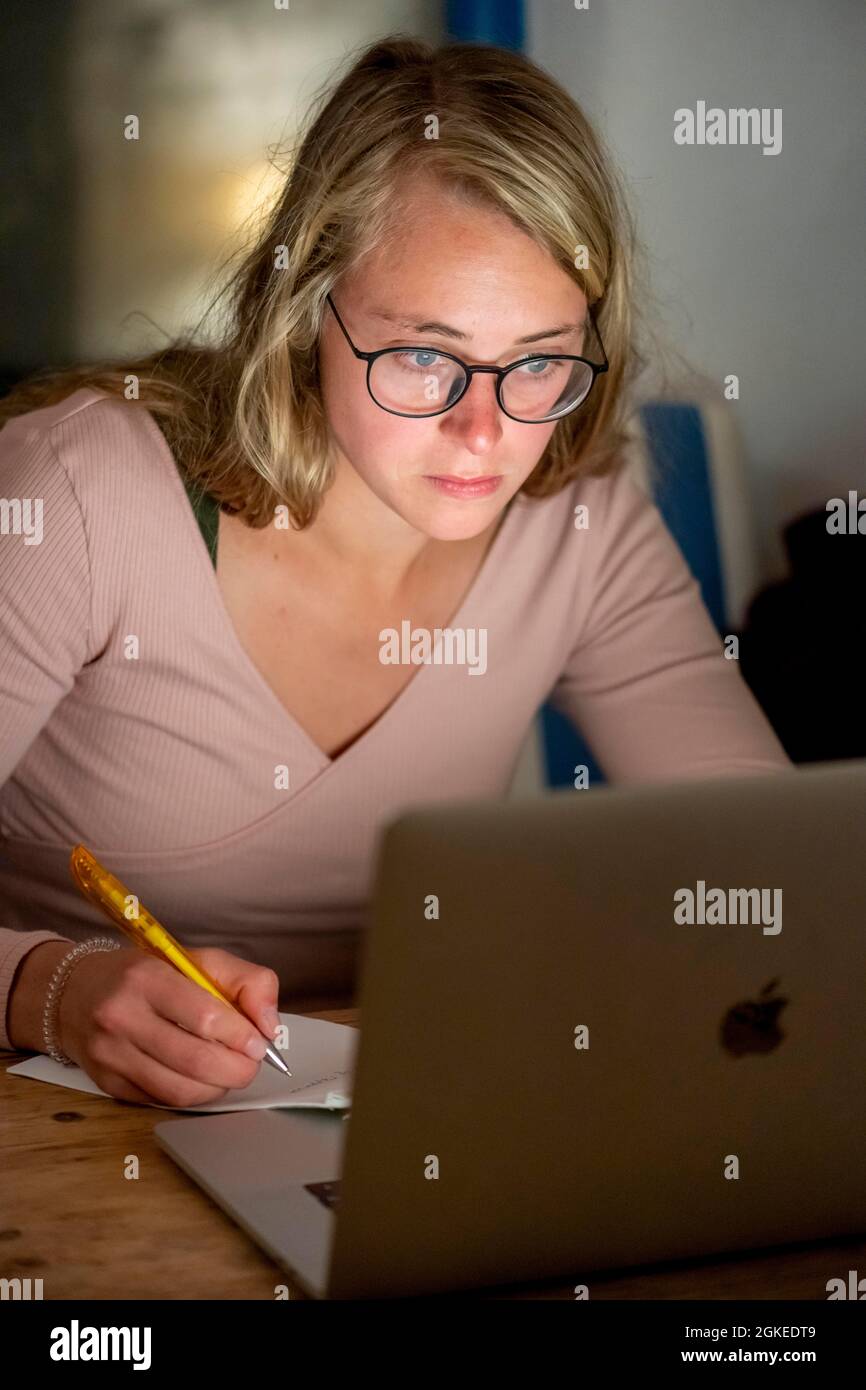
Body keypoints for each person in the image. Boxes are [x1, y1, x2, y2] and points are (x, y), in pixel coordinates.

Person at [0, 36, 790, 1107]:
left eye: (539, 360)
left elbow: (769, 876)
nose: (485, 432)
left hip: (391, 1123)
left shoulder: (579, 520)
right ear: (302, 313)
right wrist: (45, 989)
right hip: (51, 1118)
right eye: (424, 355)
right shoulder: (74, 493)